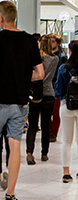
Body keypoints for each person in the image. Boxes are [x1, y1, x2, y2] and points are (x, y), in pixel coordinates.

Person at [0, 2, 44, 200]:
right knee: (15, 144)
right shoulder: (30, 41)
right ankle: (11, 192)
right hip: (20, 101)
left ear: (0, 18)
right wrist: (23, 77)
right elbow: (40, 73)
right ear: (15, 17)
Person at [26, 35, 58, 165]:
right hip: (49, 93)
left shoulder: (36, 59)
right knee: (46, 125)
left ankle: (29, 152)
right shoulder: (55, 59)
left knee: (32, 125)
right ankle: (44, 153)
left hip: (36, 94)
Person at [55, 40, 78, 183]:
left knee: (66, 141)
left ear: (69, 51)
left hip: (66, 106)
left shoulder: (63, 69)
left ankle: (66, 173)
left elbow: (58, 91)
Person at [49, 33, 68, 142]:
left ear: (58, 43)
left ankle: (53, 133)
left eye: (53, 41)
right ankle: (49, 130)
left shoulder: (62, 57)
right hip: (47, 86)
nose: (51, 44)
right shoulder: (45, 56)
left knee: (56, 112)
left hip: (56, 86)